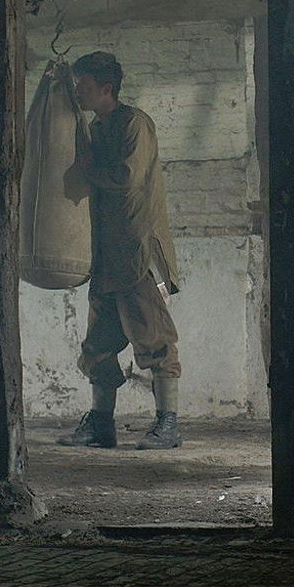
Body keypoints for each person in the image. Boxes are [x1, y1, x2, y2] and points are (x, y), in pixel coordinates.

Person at [57, 51, 184, 451]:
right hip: (106, 256)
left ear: (106, 88)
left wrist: (84, 171)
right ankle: (100, 424)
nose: (78, 92)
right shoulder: (96, 127)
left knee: (154, 340)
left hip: (136, 251)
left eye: (84, 85)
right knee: (98, 345)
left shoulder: (134, 124)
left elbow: (127, 176)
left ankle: (168, 425)